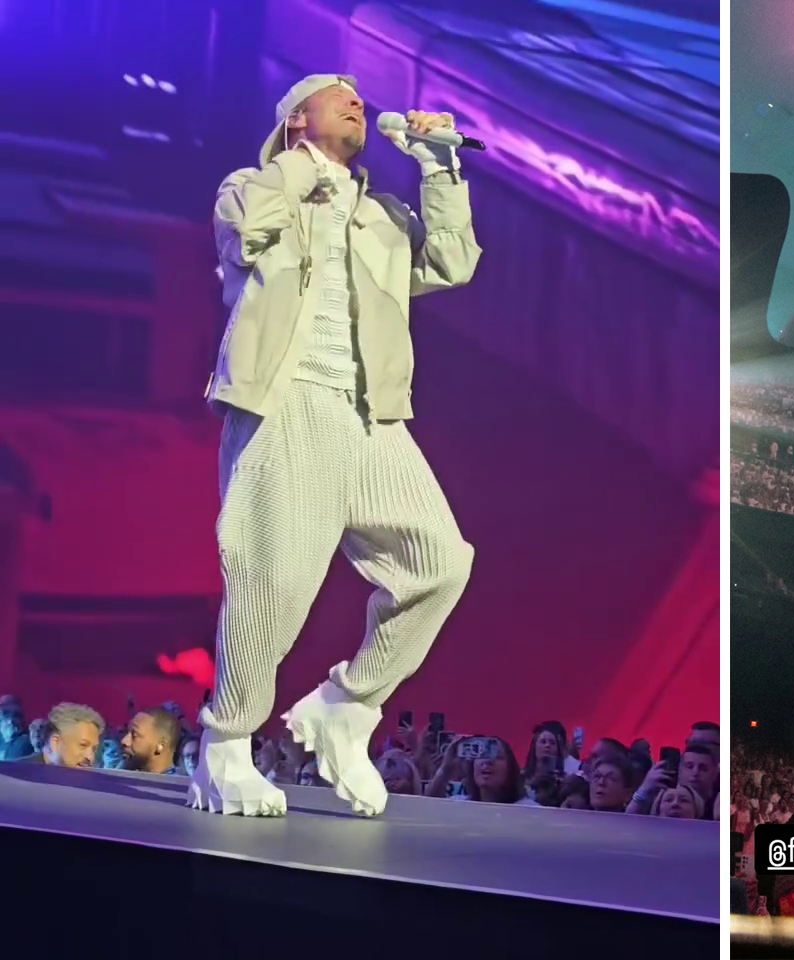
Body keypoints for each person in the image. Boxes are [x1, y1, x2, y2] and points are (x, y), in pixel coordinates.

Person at [191, 73, 482, 819]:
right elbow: (247, 229)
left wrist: (439, 168)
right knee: (273, 581)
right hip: (287, 400)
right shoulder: (252, 185)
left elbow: (452, 262)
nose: (357, 100)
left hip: (373, 413)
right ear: (296, 119)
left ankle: (346, 705)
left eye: (359, 94)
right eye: (337, 93)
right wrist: (300, 168)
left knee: (439, 564)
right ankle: (226, 745)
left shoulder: (380, 212)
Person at [19, 703, 104, 768]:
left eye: (94, 749)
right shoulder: (17, 776)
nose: (90, 758)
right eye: (83, 745)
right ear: (55, 743)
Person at [121, 707, 183, 775]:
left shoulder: (180, 781)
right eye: (126, 732)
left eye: (134, 735)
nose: (124, 741)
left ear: (160, 746)